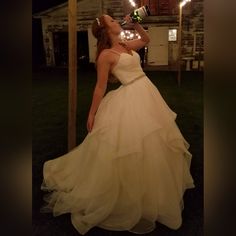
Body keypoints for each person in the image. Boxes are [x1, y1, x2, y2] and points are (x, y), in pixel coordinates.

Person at [41, 14, 195, 235]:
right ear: (105, 30)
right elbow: (99, 87)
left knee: (154, 139)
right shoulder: (106, 55)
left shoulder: (124, 45)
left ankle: (153, 189)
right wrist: (92, 113)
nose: (116, 22)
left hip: (147, 93)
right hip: (130, 96)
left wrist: (136, 23)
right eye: (111, 21)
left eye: (115, 19)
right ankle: (126, 193)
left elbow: (146, 40)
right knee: (132, 143)